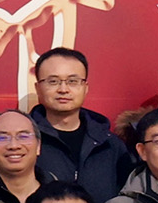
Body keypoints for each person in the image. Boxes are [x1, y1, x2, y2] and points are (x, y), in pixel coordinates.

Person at [26, 47, 128, 195]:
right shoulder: (24, 142)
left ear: (85, 88)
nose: (63, 89)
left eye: (72, 81)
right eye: (53, 81)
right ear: (38, 88)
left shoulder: (110, 144)